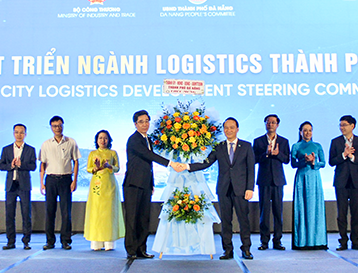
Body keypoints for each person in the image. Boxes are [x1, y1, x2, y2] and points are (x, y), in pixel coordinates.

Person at [178, 117, 255, 260]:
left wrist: (250, 188)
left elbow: (251, 169)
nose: (229, 130)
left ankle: (246, 249)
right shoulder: (218, 147)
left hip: (241, 190)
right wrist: (188, 166)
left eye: (232, 127)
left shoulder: (246, 146)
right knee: (226, 221)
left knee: (243, 220)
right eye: (226, 128)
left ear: (237, 129)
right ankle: (227, 250)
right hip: (224, 189)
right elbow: (205, 163)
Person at [123, 110, 178, 260]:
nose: (145, 124)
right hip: (133, 184)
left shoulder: (148, 139)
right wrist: (170, 163)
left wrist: (151, 183)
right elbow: (149, 156)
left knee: (144, 218)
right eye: (141, 121)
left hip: (145, 184)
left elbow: (148, 165)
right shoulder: (134, 140)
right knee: (132, 219)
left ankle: (141, 249)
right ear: (135, 124)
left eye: (147, 121)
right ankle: (131, 250)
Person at [39, 116, 80, 250]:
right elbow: (43, 164)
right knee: (50, 212)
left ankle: (65, 240)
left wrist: (74, 180)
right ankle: (50, 241)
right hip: (50, 180)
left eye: (60, 125)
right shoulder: (46, 144)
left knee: (66, 212)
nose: (58, 128)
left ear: (63, 126)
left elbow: (76, 161)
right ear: (51, 127)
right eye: (55, 126)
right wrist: (41, 183)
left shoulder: (71, 142)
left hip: (66, 180)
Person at [329, 115, 358, 251]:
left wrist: (352, 157)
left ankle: (356, 241)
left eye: (344, 125)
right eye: (340, 125)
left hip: (357, 182)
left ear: (352, 126)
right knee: (342, 213)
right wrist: (343, 155)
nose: (342, 128)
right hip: (341, 181)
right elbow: (332, 161)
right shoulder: (335, 142)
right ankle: (343, 241)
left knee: (356, 213)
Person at [252, 114, 290, 250]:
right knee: (264, 212)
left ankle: (277, 240)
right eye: (268, 122)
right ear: (265, 124)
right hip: (264, 180)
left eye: (273, 123)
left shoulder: (284, 141)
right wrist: (266, 153)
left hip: (278, 180)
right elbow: (254, 159)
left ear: (277, 125)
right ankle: (264, 241)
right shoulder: (258, 141)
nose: (270, 125)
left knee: (277, 211)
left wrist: (277, 154)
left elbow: (287, 160)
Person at [84, 130, 125, 251]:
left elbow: (117, 168)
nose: (103, 140)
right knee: (96, 212)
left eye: (105, 138)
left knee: (109, 212)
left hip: (109, 185)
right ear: (97, 140)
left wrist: (109, 166)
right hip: (96, 185)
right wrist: (96, 167)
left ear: (109, 140)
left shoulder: (113, 153)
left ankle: (109, 241)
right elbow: (88, 168)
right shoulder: (93, 153)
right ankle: (96, 241)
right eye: (100, 138)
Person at [291, 121, 327, 250]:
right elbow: (293, 164)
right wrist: (303, 161)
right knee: (302, 207)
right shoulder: (296, 146)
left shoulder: (317, 146)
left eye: (310, 130)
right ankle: (302, 240)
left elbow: (323, 163)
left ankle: (317, 240)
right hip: (302, 178)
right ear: (300, 132)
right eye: (305, 130)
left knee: (315, 207)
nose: (308, 133)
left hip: (314, 177)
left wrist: (313, 163)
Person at [0, 124, 37, 250]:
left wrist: (22, 165)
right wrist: (10, 166)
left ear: (25, 134)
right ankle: (11, 241)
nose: (19, 135)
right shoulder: (6, 149)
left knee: (26, 214)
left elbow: (33, 166)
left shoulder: (30, 149)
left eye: (21, 132)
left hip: (24, 185)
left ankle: (26, 241)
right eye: (16, 132)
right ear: (13, 133)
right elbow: (1, 165)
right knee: (10, 214)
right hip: (11, 186)